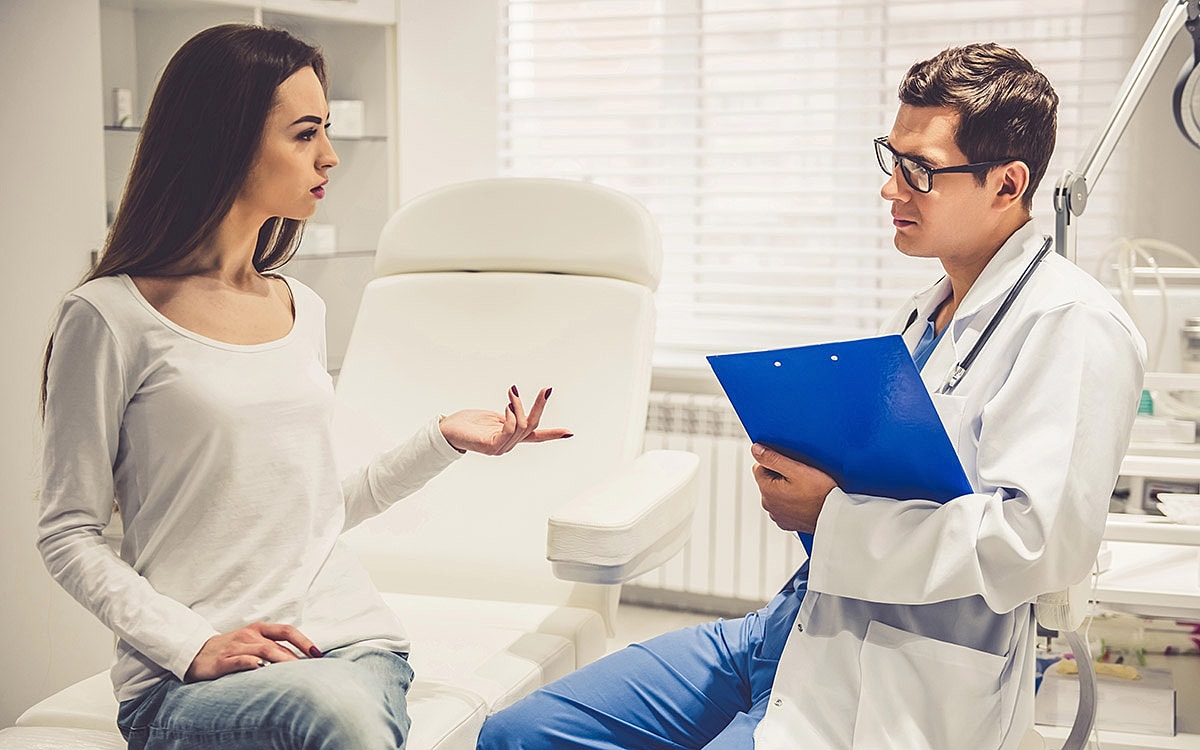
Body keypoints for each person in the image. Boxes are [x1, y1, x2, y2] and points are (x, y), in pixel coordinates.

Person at [475, 42, 1146, 750]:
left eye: (920, 170)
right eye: (893, 160)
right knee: (520, 734)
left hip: (899, 673)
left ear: (1008, 184)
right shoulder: (925, 314)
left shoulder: (1072, 323)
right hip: (794, 627)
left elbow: (1037, 545)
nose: (892, 190)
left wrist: (830, 513)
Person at [36, 23, 570, 750]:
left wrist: (443, 439)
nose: (330, 155)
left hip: (348, 642)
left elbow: (312, 513)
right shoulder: (109, 316)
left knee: (339, 708)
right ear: (225, 140)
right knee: (333, 719)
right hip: (188, 678)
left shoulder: (298, 306)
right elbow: (68, 533)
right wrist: (192, 643)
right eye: (305, 133)